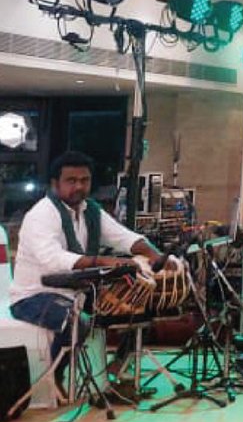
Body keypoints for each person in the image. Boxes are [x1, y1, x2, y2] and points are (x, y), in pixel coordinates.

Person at [9, 151, 179, 365]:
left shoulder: (90, 211)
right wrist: (102, 261)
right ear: (55, 183)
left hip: (79, 292)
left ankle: (119, 369)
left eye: (84, 180)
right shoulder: (42, 214)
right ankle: (55, 378)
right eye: (71, 181)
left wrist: (153, 254)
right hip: (34, 296)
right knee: (76, 322)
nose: (79, 186)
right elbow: (52, 259)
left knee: (143, 308)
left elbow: (123, 237)